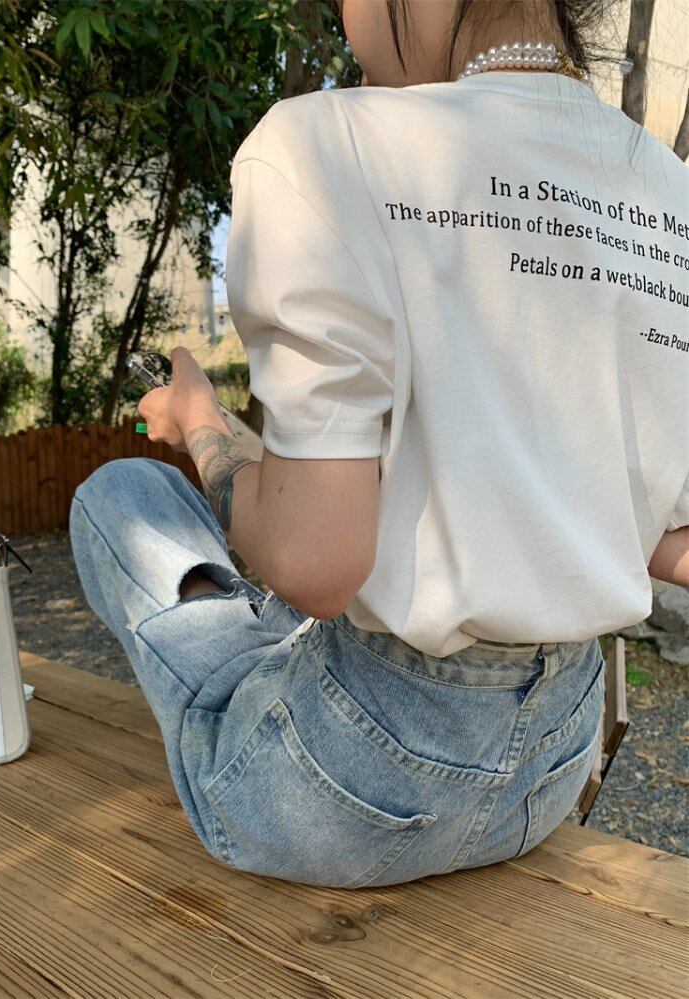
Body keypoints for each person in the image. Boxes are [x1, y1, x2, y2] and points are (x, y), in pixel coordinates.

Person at [70, 0, 688, 889]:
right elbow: (663, 537)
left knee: (121, 497)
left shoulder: (327, 144)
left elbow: (315, 566)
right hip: (551, 767)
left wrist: (200, 425)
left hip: (345, 788)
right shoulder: (668, 191)